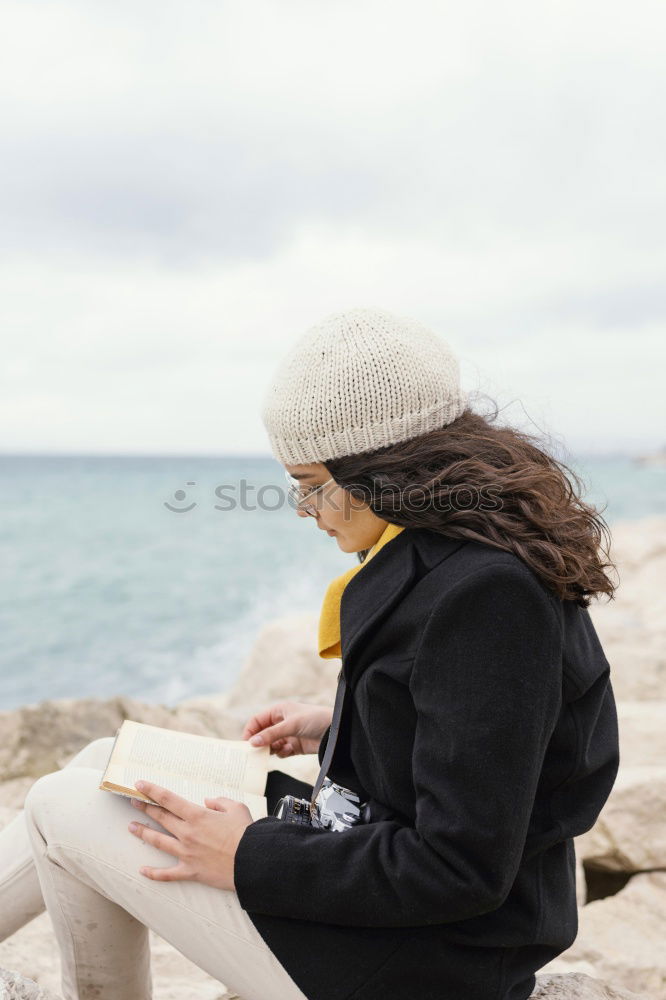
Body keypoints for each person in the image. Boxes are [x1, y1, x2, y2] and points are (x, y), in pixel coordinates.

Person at [0, 307, 620, 1000]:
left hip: (420, 964)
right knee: (103, 767)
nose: (302, 508)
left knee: (62, 802)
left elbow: (461, 866)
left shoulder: (487, 594)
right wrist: (347, 721)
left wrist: (244, 855)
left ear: (385, 469)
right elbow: (491, 729)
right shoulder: (462, 553)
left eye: (308, 482)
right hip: (385, 895)